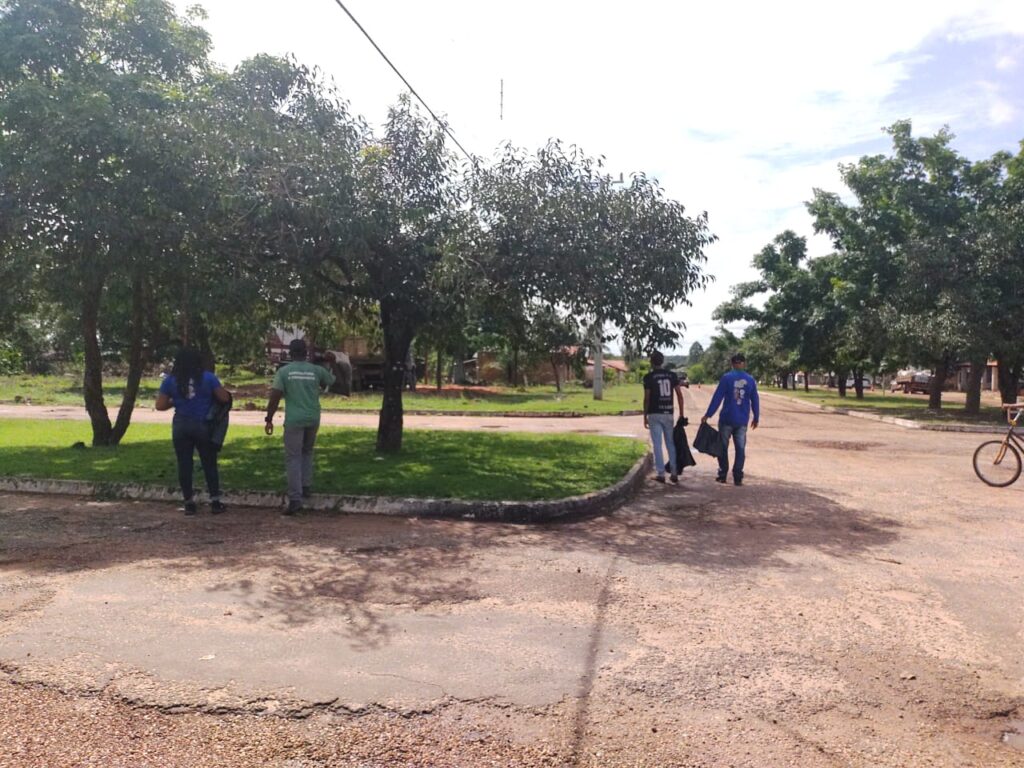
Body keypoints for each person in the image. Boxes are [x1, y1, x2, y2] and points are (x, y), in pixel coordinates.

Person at [155, 347, 231, 515]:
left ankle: (189, 503)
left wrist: (175, 401)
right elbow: (224, 398)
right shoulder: (208, 378)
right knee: (209, 463)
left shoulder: (170, 381)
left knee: (184, 464)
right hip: (203, 425)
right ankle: (215, 502)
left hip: (181, 426)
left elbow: (160, 405)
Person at [265, 339, 336, 515]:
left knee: (293, 457)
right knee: (307, 452)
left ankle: (295, 499)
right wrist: (331, 363)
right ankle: (305, 486)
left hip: (294, 420)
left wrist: (269, 418)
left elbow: (275, 396)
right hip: (313, 418)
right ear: (306, 353)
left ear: (290, 353)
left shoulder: (284, 372)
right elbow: (330, 381)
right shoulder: (316, 370)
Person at [701, 352, 760, 486]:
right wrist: (756, 417)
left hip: (726, 419)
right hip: (742, 420)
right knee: (740, 449)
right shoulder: (750, 380)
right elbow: (755, 400)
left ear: (732, 364)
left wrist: (708, 414)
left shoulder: (726, 378)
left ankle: (722, 474)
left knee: (723, 447)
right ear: (744, 364)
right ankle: (738, 477)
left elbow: (717, 397)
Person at [642, 350, 686, 484]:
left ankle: (661, 473)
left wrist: (645, 415)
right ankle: (674, 472)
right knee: (670, 443)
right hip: (668, 413)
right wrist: (681, 414)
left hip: (654, 413)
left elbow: (647, 398)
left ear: (651, 362)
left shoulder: (649, 377)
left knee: (657, 444)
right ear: (663, 361)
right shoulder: (672, 375)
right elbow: (679, 395)